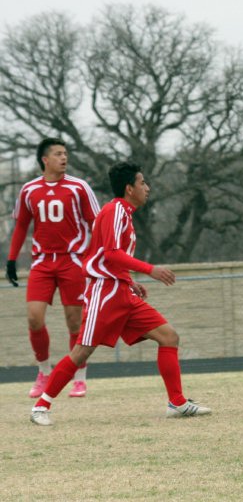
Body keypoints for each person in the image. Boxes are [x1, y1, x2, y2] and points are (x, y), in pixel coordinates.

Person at [30, 161, 211, 426]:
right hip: (105, 293)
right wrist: (150, 270)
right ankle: (40, 407)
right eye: (142, 183)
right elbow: (112, 253)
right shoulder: (115, 210)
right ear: (129, 188)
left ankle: (177, 402)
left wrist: (130, 281)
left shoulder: (124, 213)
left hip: (122, 291)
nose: (147, 188)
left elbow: (112, 257)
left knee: (169, 337)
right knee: (81, 352)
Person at [7, 138, 100, 399]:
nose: (64, 158)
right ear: (45, 160)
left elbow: (96, 223)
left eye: (66, 153)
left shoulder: (79, 187)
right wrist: (12, 260)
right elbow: (22, 226)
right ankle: (43, 372)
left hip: (73, 260)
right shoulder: (29, 190)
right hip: (42, 262)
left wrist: (93, 257)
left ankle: (78, 378)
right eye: (58, 154)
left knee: (74, 322)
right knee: (34, 318)